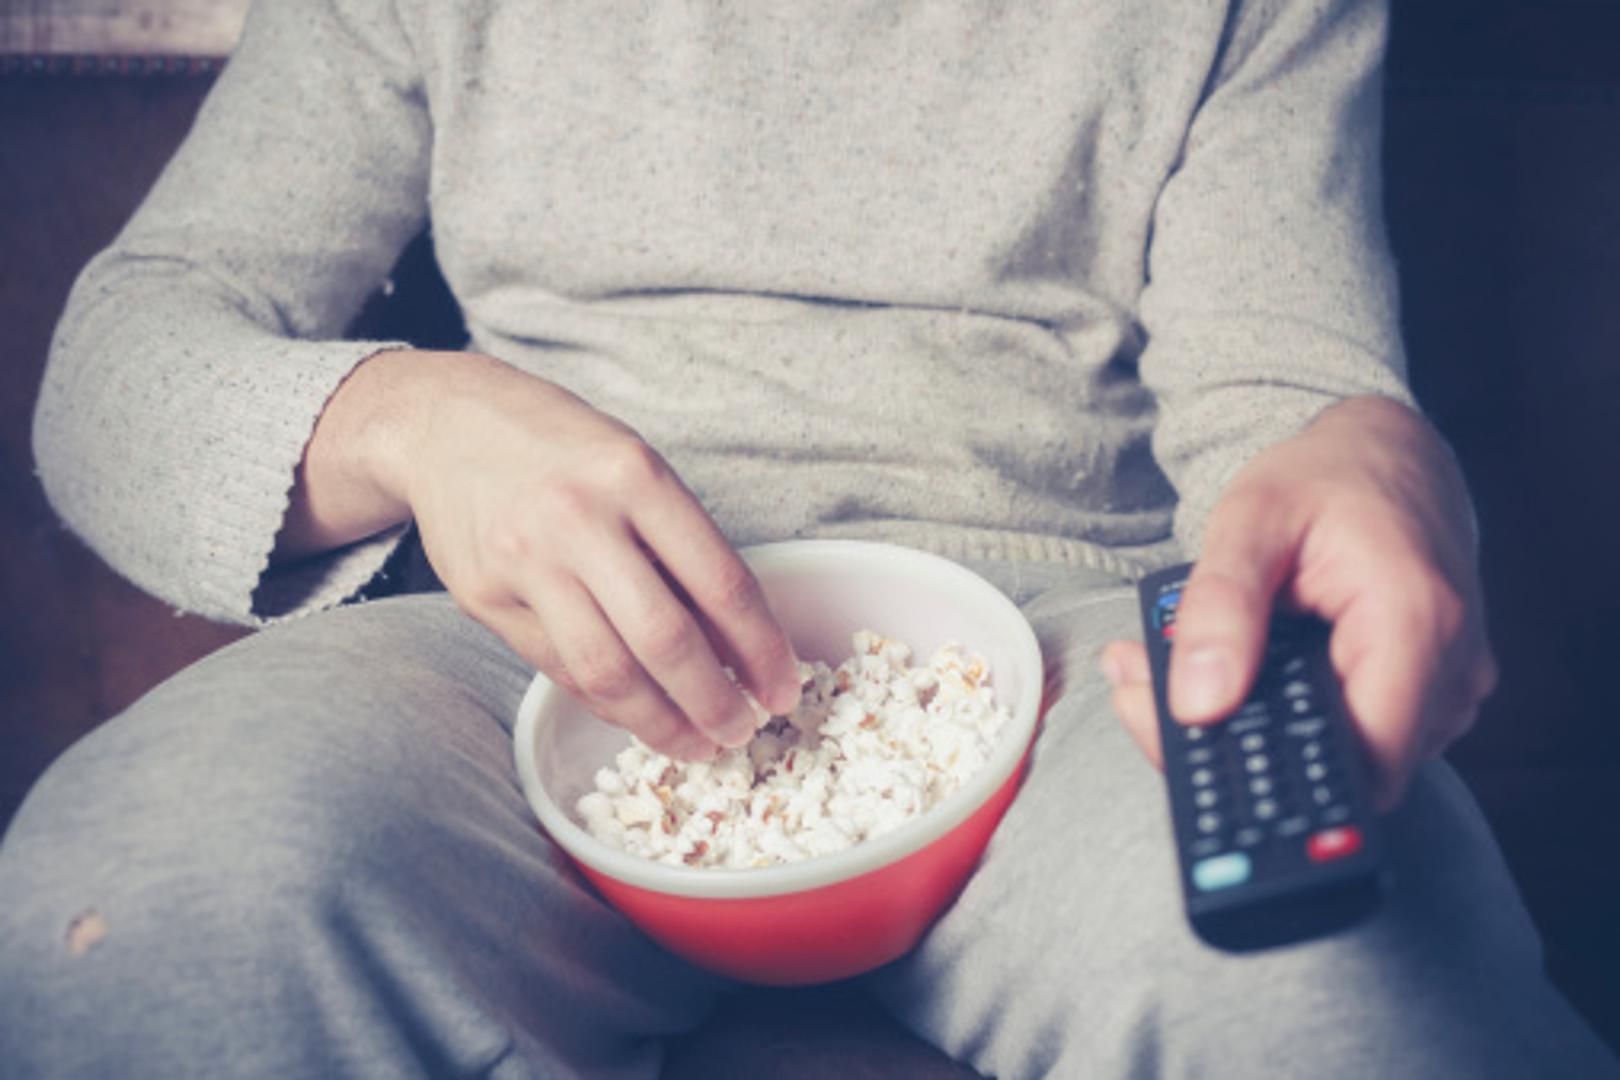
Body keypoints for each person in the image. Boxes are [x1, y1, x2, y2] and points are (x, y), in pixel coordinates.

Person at [2, 0, 1615, 1076]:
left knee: (1353, 985)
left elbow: (1280, 389)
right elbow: (114, 375)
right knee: (145, 896)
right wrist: (414, 423)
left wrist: (1361, 448)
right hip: (512, 670)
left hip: (1070, 660)